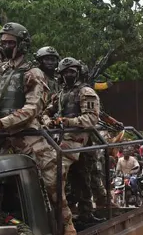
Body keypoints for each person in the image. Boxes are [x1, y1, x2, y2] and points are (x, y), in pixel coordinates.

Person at [0, 23, 76, 235]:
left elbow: (32, 110)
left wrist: (2, 123)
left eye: (10, 43)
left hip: (28, 135)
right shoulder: (3, 72)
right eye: (3, 42)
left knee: (53, 179)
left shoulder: (33, 73)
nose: (5, 46)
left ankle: (67, 222)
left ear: (21, 44)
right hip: (1, 136)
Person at [41, 57, 100, 226]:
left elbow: (91, 118)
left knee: (82, 179)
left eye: (72, 72)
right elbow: (46, 112)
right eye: (65, 72)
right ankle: (63, 211)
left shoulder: (85, 92)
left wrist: (68, 122)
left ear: (78, 73)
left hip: (81, 141)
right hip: (62, 139)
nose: (69, 75)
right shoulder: (60, 94)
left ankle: (86, 213)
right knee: (67, 178)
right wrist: (48, 121)